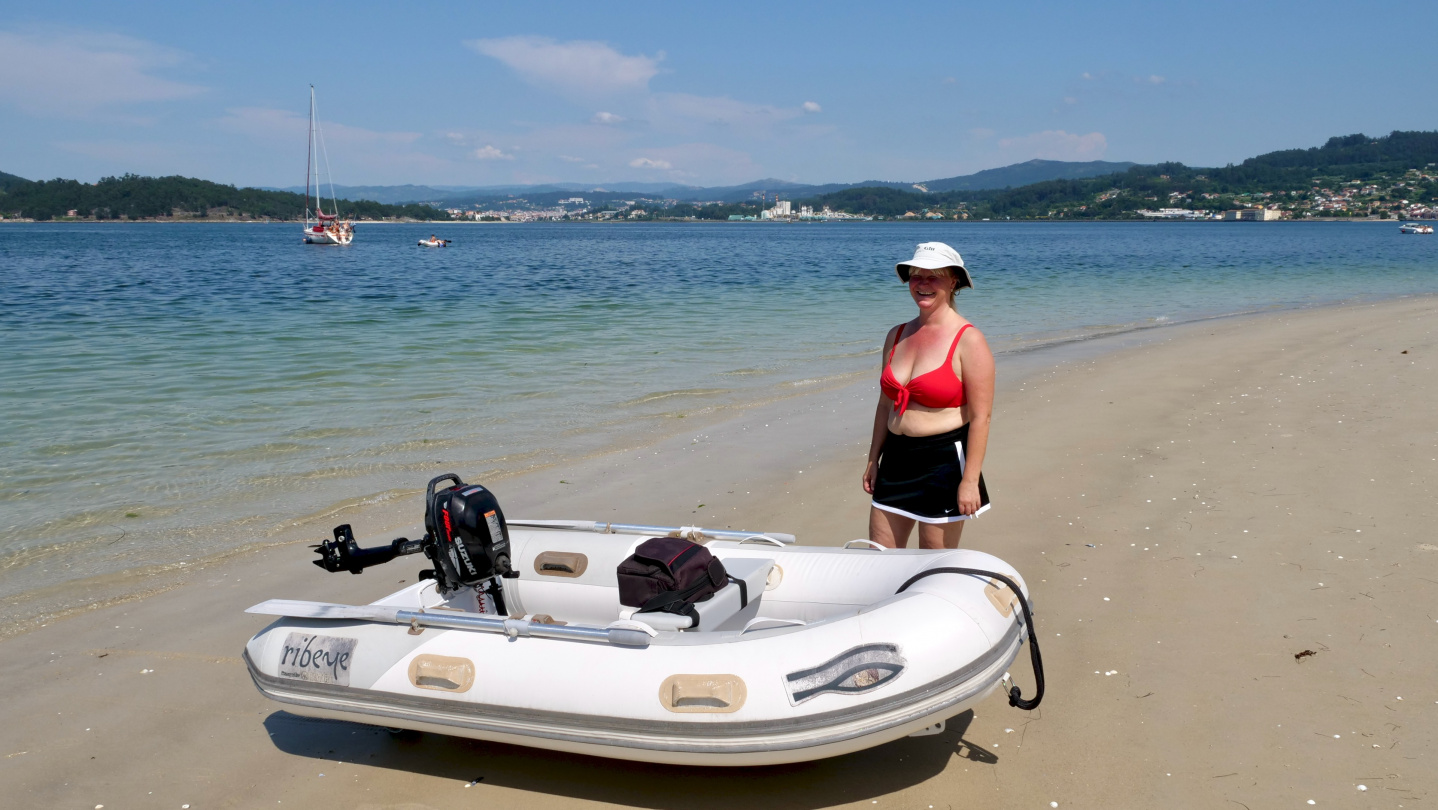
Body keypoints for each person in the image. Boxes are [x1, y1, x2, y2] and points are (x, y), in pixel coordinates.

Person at [862, 242, 995, 549]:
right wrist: (873, 459)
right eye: (915, 275)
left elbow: (981, 418)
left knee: (933, 564)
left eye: (934, 276)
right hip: (895, 459)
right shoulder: (896, 335)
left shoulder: (969, 340)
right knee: (878, 556)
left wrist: (970, 480)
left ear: (953, 281)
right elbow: (885, 405)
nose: (922, 283)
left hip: (942, 463)